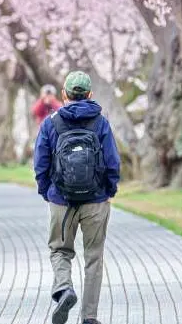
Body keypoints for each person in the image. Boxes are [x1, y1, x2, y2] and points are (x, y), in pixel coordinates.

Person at [33, 71, 121, 324]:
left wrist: (47, 192)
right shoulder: (101, 122)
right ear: (90, 95)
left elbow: (41, 164)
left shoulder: (51, 122)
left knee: (60, 250)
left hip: (61, 201)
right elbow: (112, 162)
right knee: (94, 256)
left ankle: (64, 288)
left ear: (64, 95)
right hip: (96, 200)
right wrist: (109, 191)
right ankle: (90, 317)